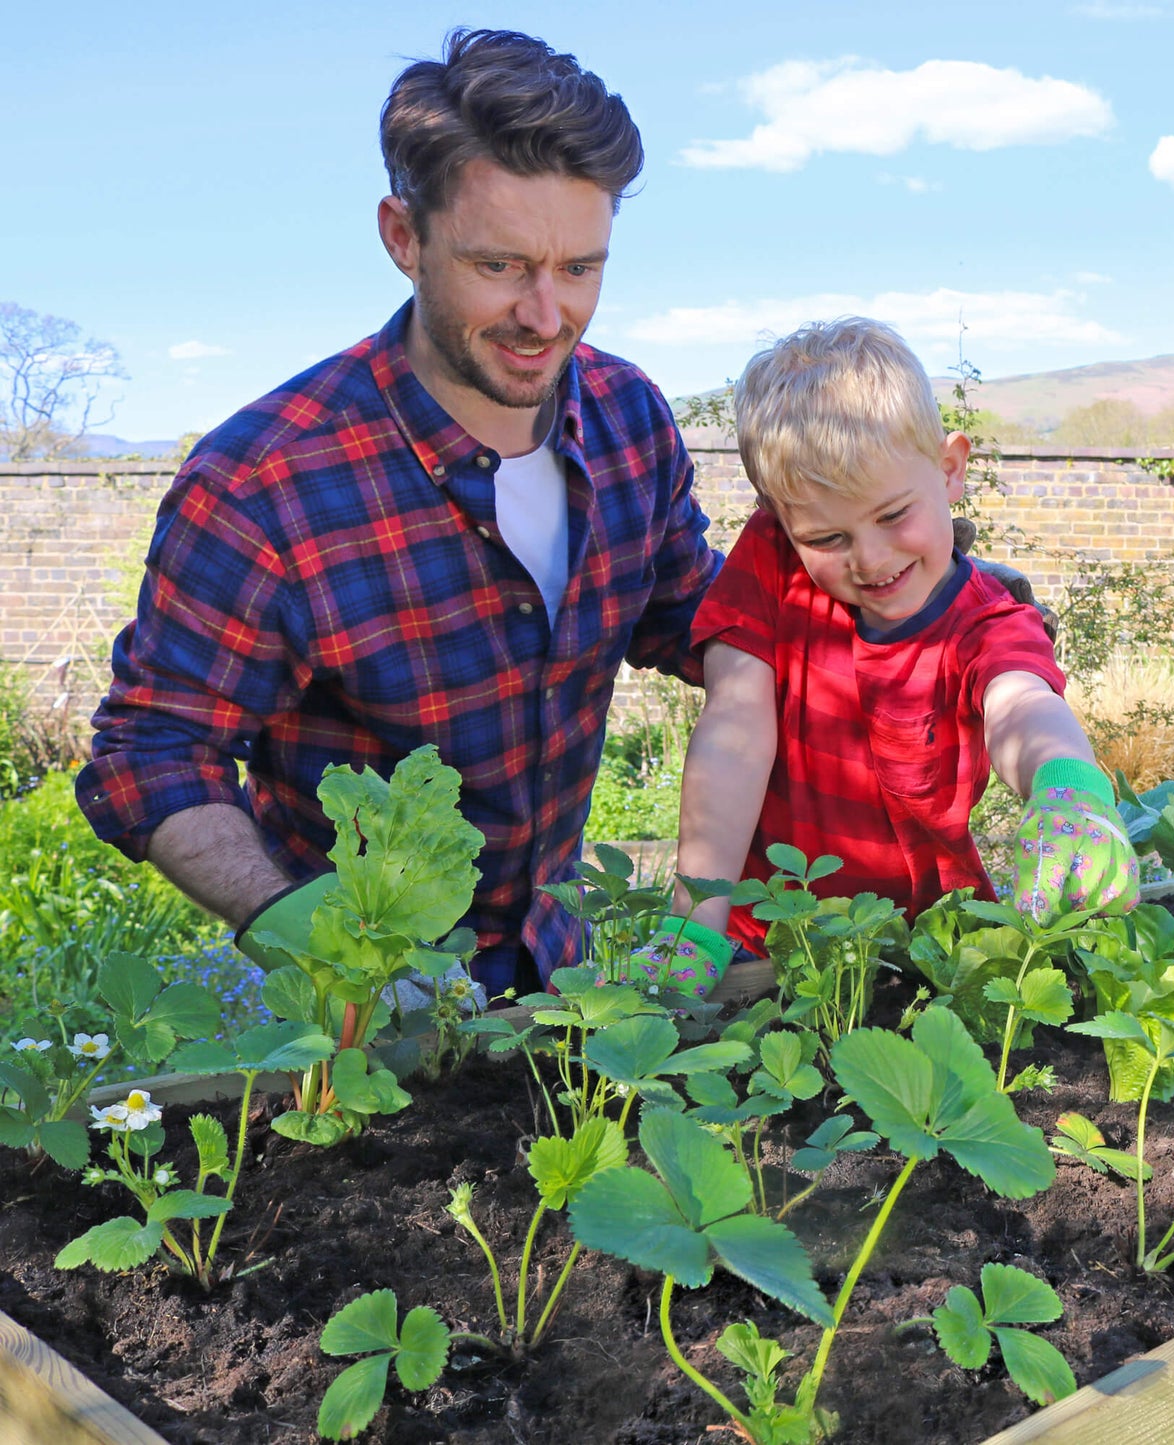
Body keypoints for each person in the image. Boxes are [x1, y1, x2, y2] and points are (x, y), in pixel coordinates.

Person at [75, 29, 722, 997]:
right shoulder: (266, 483)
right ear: (402, 237)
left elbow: (692, 618)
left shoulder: (627, 416)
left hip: (555, 968)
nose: (546, 317)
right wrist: (322, 941)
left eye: (578, 268)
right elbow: (154, 753)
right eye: (499, 266)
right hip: (347, 1002)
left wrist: (912, 606)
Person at [632, 318, 1137, 989]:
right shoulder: (773, 570)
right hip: (762, 939)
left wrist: (1067, 787)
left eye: (894, 515)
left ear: (949, 468)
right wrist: (695, 921)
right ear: (777, 520)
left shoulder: (985, 619)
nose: (870, 559)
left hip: (917, 948)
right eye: (826, 536)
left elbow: (1020, 705)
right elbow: (735, 724)